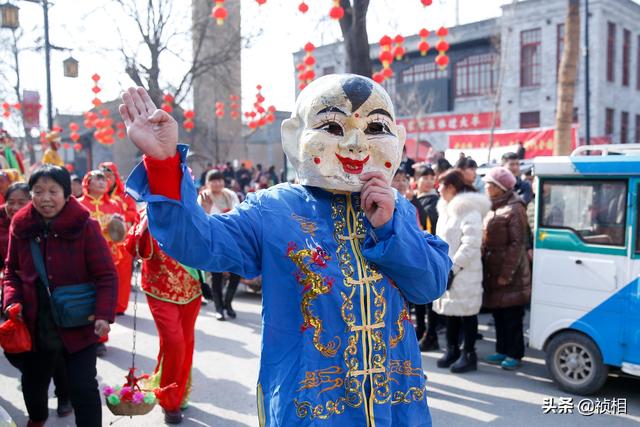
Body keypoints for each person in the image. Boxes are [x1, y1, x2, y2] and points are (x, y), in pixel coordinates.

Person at [121, 75, 451, 427]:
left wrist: (390, 229)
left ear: (398, 140)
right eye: (333, 127)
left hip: (396, 405)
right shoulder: (273, 210)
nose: (356, 143)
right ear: (293, 136)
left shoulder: (398, 209)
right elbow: (198, 243)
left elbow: (429, 285)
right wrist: (163, 164)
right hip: (310, 405)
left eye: (376, 128)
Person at [2, 164, 117, 427]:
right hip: (35, 323)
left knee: (83, 388)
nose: (45, 198)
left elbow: (106, 275)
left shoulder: (85, 226)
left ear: (67, 194)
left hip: (78, 322)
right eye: (38, 191)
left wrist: (103, 315)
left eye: (53, 191)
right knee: (33, 384)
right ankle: (38, 419)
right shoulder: (20, 227)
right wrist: (11, 301)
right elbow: (11, 272)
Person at [124, 213, 201, 424]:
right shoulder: (148, 213)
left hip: (192, 289)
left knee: (185, 342)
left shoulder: (192, 211)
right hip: (160, 290)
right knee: (174, 343)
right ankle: (169, 400)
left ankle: (179, 390)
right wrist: (145, 224)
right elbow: (134, 249)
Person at [433, 170, 490, 373]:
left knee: (467, 314)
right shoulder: (446, 209)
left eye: (440, 185)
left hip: (465, 271)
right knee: (451, 313)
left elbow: (471, 244)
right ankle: (452, 350)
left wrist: (453, 268)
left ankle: (469, 354)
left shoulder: (469, 210)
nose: (437, 189)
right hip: (449, 268)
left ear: (451, 187)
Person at [481, 167, 531, 370]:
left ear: (499, 188)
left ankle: (514, 353)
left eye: (489, 184)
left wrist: (506, 274)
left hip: (510, 275)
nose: (485, 187)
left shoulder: (515, 207)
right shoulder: (494, 206)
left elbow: (517, 245)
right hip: (494, 271)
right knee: (499, 314)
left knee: (512, 316)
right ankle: (501, 350)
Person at [78, 170, 126, 357]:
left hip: (109, 258)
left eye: (104, 179)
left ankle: (100, 339)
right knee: (86, 297)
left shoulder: (115, 206)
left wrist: (119, 228)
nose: (101, 182)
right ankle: (84, 335)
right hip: (82, 259)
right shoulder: (78, 205)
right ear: (87, 183)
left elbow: (122, 233)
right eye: (96, 179)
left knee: (104, 297)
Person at [198, 170, 242, 320]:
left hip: (232, 240)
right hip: (213, 241)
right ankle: (219, 308)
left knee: (236, 273)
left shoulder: (231, 195)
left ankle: (228, 303)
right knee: (216, 275)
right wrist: (208, 211)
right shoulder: (203, 197)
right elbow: (199, 219)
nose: (217, 183)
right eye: (213, 180)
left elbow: (240, 213)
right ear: (207, 183)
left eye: (220, 180)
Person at [100, 162, 140, 314]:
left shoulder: (125, 195)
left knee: (122, 275)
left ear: (115, 178)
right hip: (101, 241)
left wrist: (117, 217)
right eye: (102, 177)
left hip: (120, 239)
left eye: (108, 176)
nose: (106, 180)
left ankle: (120, 306)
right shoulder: (96, 195)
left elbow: (133, 213)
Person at [410, 166, 442, 352]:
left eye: (432, 177)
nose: (429, 181)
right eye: (425, 177)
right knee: (418, 297)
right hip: (416, 254)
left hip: (428, 253)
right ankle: (420, 330)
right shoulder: (414, 200)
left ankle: (431, 334)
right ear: (417, 179)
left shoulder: (435, 201)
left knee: (429, 299)